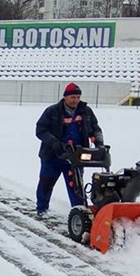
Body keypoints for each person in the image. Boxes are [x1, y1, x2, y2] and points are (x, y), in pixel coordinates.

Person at [35, 82, 104, 216]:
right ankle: (42, 209)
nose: (76, 100)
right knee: (46, 183)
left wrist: (99, 142)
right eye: (73, 97)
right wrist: (54, 143)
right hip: (53, 156)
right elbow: (41, 130)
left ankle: (79, 213)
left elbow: (94, 129)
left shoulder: (86, 111)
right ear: (65, 97)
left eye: (78, 97)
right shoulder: (52, 111)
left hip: (76, 156)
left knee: (76, 186)